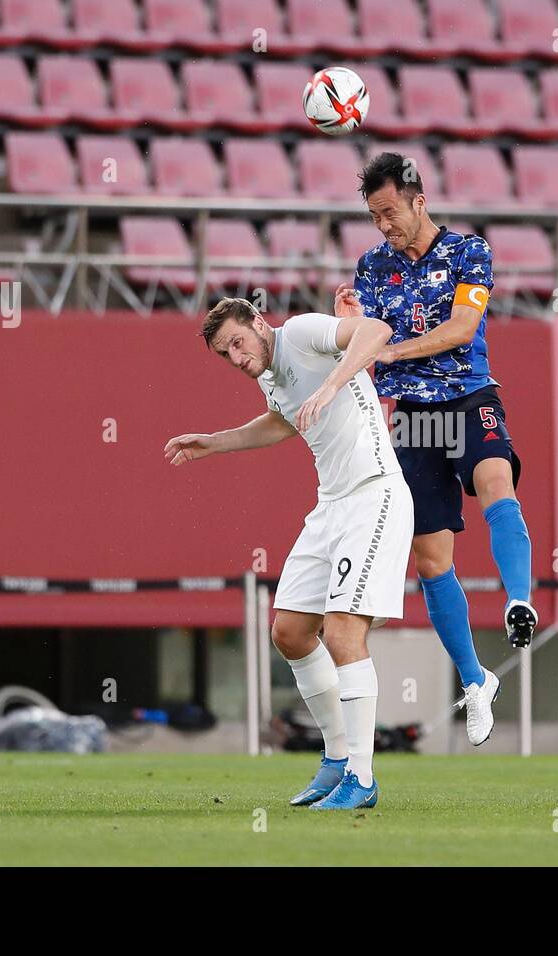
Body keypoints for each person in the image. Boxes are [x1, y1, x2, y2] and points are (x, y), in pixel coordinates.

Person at [165, 299, 413, 810]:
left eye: (237, 342)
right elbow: (283, 423)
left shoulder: (300, 333)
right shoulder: (270, 374)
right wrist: (216, 441)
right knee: (290, 631)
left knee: (344, 631)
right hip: (331, 505)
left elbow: (376, 329)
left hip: (375, 493)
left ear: (259, 323)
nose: (235, 357)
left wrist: (332, 382)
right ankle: (338, 758)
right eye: (224, 353)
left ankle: (362, 780)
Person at [334, 151, 536, 748]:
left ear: (419, 201)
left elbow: (461, 331)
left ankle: (519, 602)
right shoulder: (372, 267)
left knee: (497, 480)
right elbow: (360, 341)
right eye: (374, 216)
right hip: (415, 417)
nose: (384, 226)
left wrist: (391, 351)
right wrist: (346, 321)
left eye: (390, 212)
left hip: (469, 397)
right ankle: (476, 683)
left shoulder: (468, 252)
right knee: (430, 560)